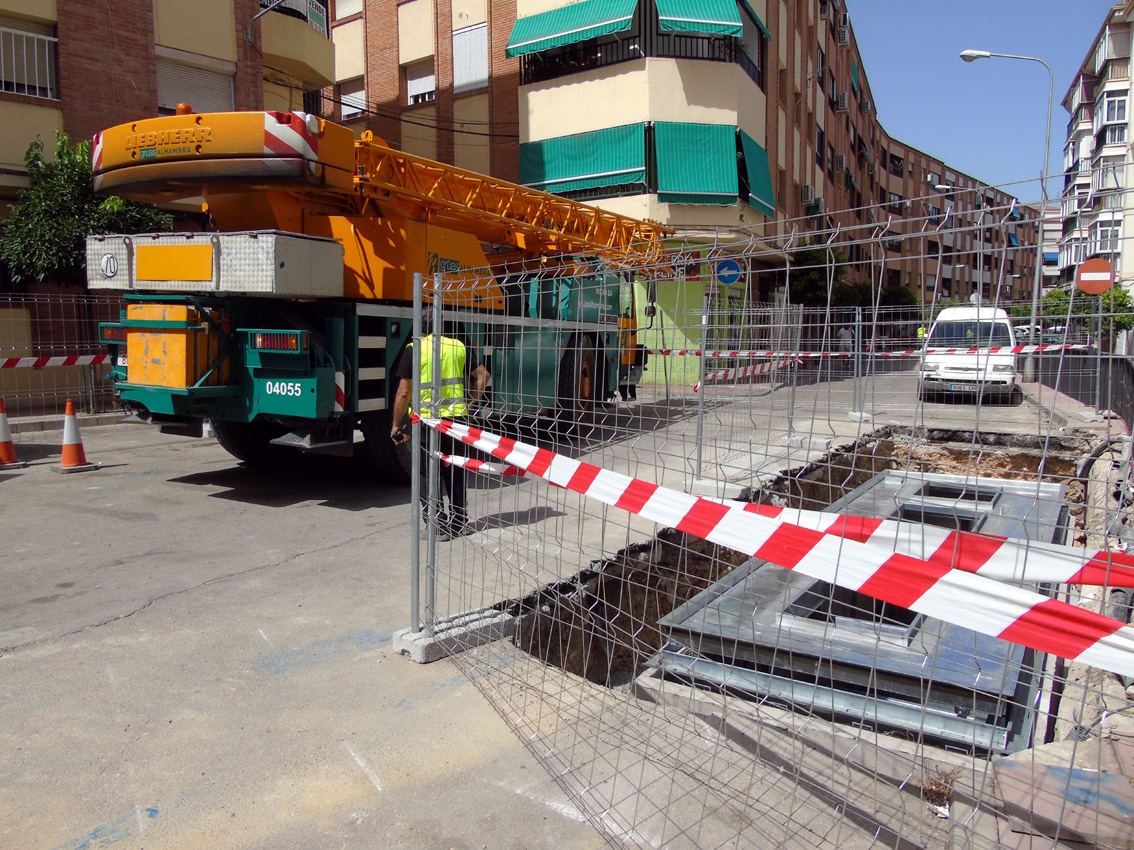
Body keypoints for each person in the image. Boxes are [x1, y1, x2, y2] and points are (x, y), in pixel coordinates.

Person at [390, 320, 490, 540]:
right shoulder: (458, 347)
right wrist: (470, 402)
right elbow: (483, 376)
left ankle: (437, 526)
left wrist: (397, 424)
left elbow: (404, 393)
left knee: (426, 473)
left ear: (421, 326)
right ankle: (459, 522)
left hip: (427, 420)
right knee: (454, 467)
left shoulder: (414, 348)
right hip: (456, 419)